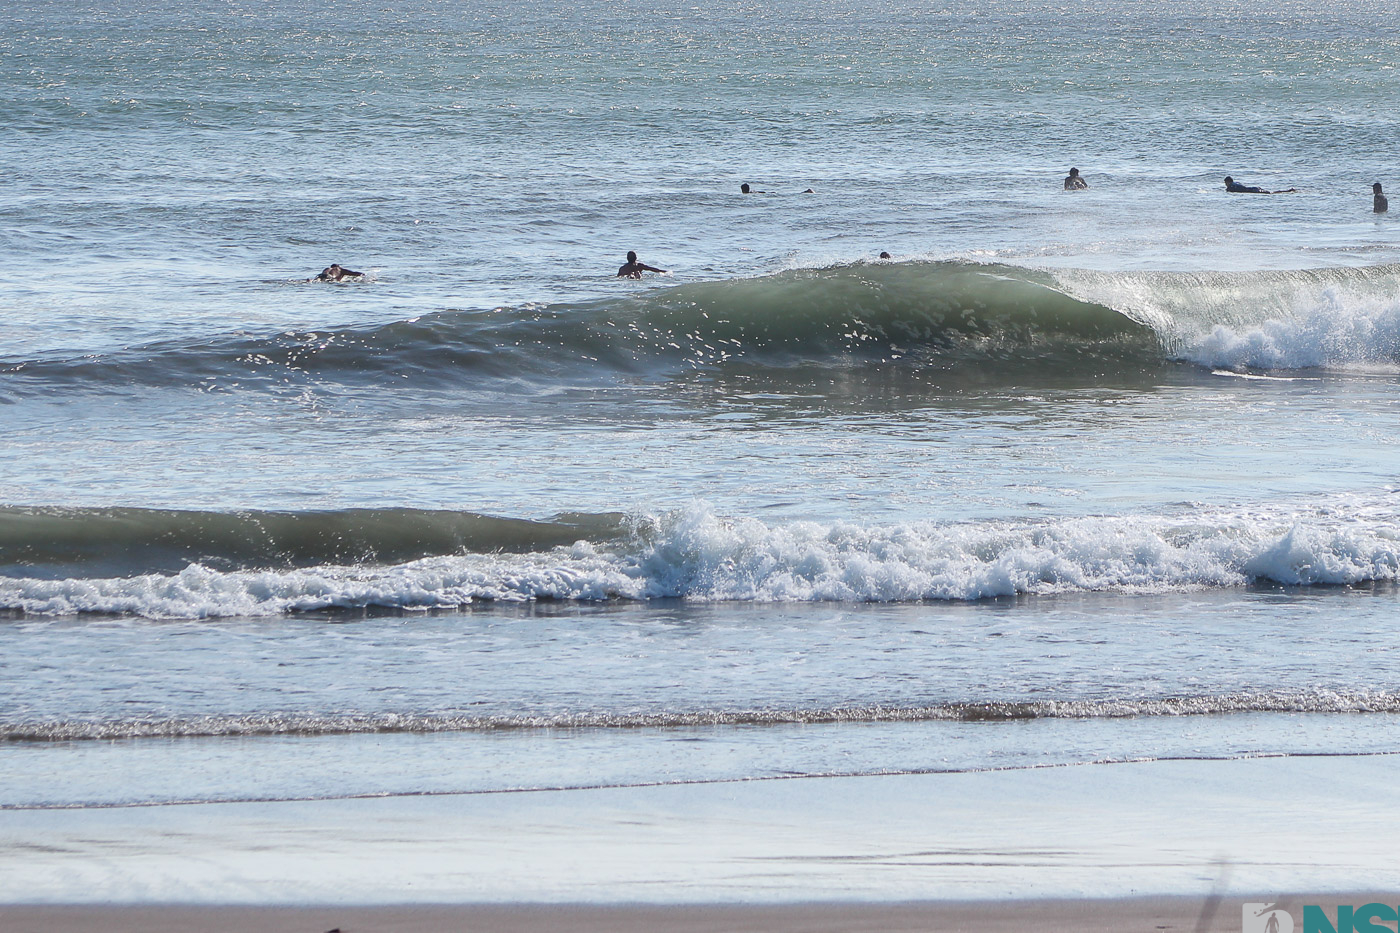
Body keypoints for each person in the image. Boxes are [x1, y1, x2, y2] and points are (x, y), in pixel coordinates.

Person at [1224, 176, 1296, 194]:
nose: (1225, 185)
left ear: (1228, 182)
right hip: (1254, 188)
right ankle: (1288, 190)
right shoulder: (1236, 183)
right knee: (1271, 192)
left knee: (1271, 193)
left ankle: (1288, 191)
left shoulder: (1231, 186)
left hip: (1252, 190)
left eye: (1226, 183)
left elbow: (1229, 190)